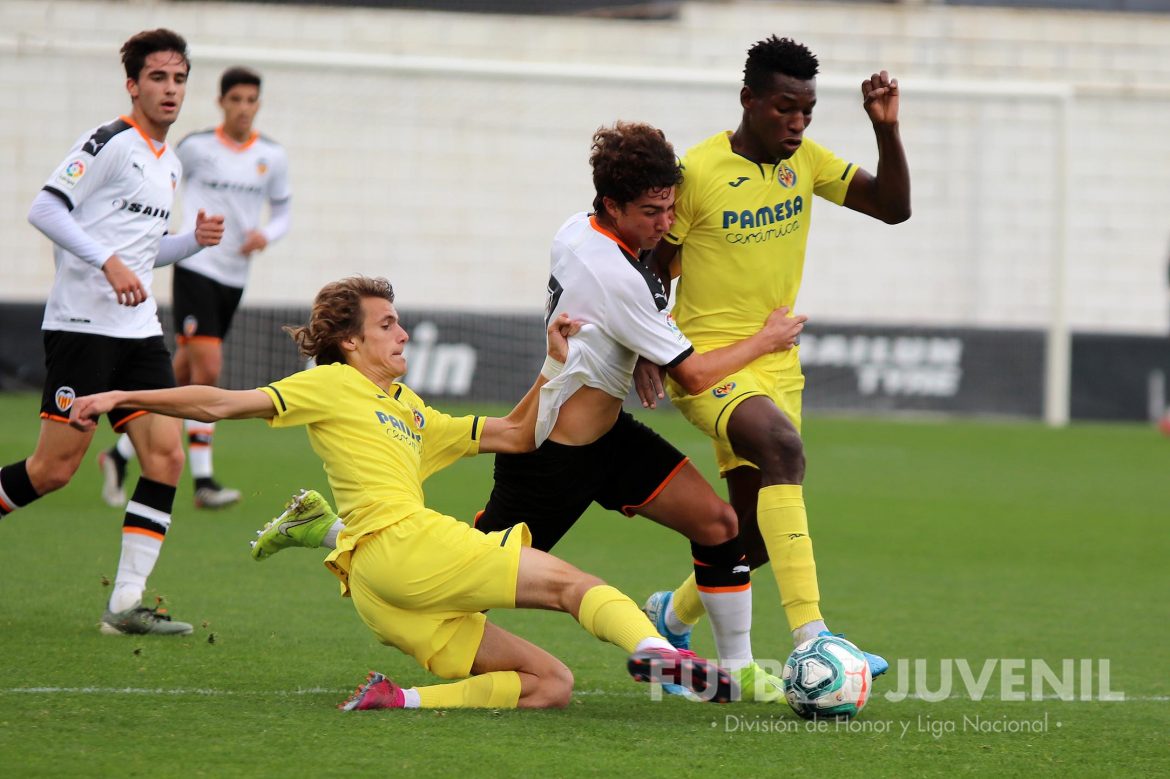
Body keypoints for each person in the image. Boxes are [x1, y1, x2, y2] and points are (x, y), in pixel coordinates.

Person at [249, 123, 806, 702]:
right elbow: (690, 374)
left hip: (610, 438)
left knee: (718, 524)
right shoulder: (614, 273)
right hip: (548, 458)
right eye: (651, 212)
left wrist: (643, 349)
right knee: (456, 584)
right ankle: (330, 531)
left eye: (670, 208)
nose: (666, 224)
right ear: (612, 205)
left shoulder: (578, 231)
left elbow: (637, 309)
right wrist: (767, 339)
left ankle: (738, 668)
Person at [68, 276, 735, 709]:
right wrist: (122, 394)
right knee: (571, 584)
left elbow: (515, 434)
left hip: (381, 593)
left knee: (552, 685)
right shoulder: (330, 383)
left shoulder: (412, 410)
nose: (404, 332)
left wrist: (553, 360)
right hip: (400, 546)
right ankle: (663, 657)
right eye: (387, 323)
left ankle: (402, 699)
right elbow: (218, 401)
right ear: (352, 340)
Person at [634, 36, 911, 675]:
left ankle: (670, 616)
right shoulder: (697, 172)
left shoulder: (805, 162)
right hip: (709, 364)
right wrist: (651, 344)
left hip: (779, 364)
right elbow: (652, 259)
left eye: (808, 111)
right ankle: (814, 637)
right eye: (786, 108)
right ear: (749, 100)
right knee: (783, 447)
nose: (797, 123)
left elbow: (894, 209)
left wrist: (885, 131)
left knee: (752, 534)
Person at [0, 29, 224, 635]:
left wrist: (189, 244)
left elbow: (139, 251)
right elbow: (44, 209)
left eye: (179, 79)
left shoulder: (169, 163)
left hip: (138, 330)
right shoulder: (110, 141)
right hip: (82, 328)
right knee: (52, 471)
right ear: (133, 84)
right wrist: (107, 262)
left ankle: (125, 606)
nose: (171, 90)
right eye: (158, 78)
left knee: (167, 457)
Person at [100, 65, 292, 510]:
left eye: (251, 101)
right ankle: (203, 480)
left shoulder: (272, 156)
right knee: (208, 367)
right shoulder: (197, 147)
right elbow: (160, 182)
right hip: (196, 266)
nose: (243, 108)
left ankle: (120, 453)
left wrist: (268, 234)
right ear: (222, 103)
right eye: (236, 100)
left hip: (235, 277)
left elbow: (283, 210)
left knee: (183, 374)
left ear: (258, 105)